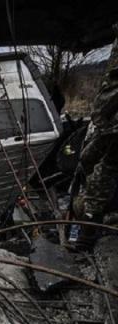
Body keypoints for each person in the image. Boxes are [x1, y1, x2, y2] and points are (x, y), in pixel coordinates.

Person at [72, 25, 118, 251]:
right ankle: (85, 240)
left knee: (99, 178)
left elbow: (89, 157)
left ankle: (84, 242)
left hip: (109, 133)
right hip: (107, 135)